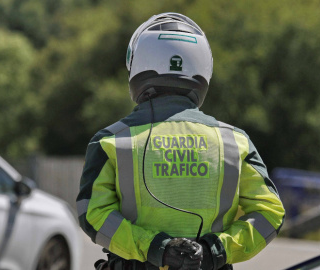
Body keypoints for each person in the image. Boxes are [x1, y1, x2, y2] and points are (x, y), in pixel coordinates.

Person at [76, 12, 285, 270]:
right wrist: (213, 251)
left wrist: (157, 249)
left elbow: (92, 215)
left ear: (136, 64)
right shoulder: (236, 142)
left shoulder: (110, 141)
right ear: (203, 69)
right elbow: (270, 214)